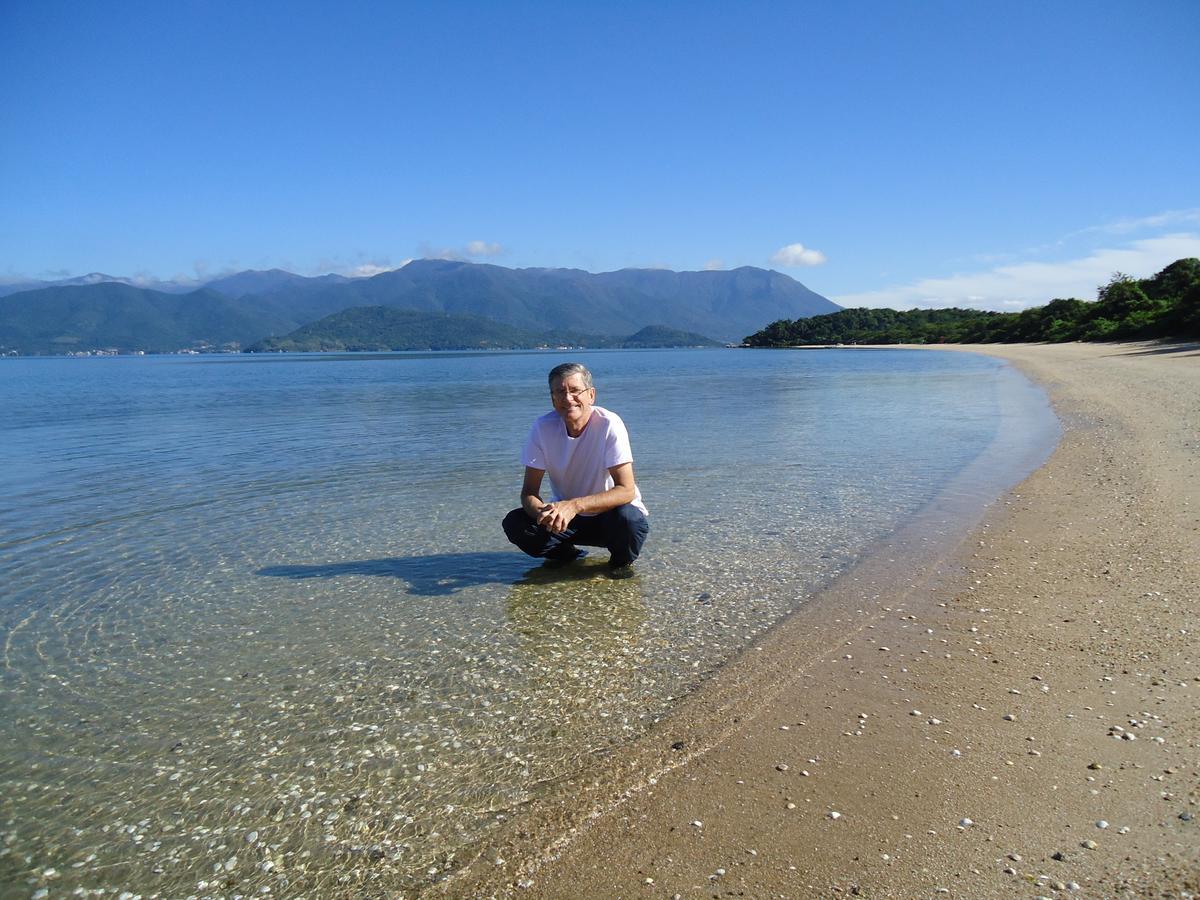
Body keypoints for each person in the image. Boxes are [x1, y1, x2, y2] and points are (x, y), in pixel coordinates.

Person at [502, 362, 649, 574]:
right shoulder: (542, 428)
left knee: (630, 520)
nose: (568, 398)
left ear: (591, 395)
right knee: (516, 523)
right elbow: (529, 493)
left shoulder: (609, 424)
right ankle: (567, 556)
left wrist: (574, 506)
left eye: (575, 390)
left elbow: (626, 490)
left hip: (610, 516)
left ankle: (619, 565)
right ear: (553, 399)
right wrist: (545, 514)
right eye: (560, 392)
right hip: (567, 521)